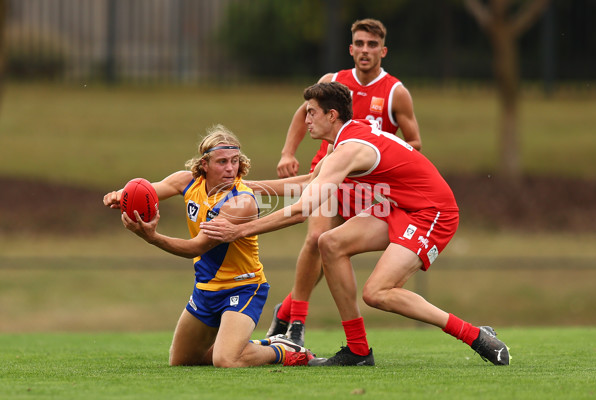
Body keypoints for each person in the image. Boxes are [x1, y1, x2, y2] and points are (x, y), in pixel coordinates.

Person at [200, 82, 511, 367]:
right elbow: (309, 181)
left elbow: (301, 210)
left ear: (331, 115)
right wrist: (245, 186)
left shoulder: (347, 150)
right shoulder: (346, 139)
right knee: (329, 243)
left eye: (311, 113)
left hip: (433, 212)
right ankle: (358, 351)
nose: (305, 119)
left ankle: (474, 335)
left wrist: (238, 230)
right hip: (399, 206)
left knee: (378, 292)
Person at [102, 124, 314, 368]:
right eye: (222, 161)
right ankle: (257, 345)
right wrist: (122, 195)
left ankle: (283, 351)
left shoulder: (240, 201)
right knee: (182, 361)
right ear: (204, 164)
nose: (230, 168)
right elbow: (148, 191)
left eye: (235, 161)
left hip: (242, 287)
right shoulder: (187, 182)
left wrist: (152, 237)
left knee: (226, 360)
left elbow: (196, 248)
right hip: (205, 288)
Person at [268, 18, 422, 346]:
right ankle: (296, 325)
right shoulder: (333, 81)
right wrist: (287, 152)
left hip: (366, 187)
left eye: (372, 45)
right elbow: (302, 113)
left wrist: (379, 153)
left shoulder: (396, 92)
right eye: (360, 44)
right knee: (316, 239)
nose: (365, 50)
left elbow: (414, 144)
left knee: (332, 250)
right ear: (350, 49)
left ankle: (284, 311)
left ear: (383, 50)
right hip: (327, 176)